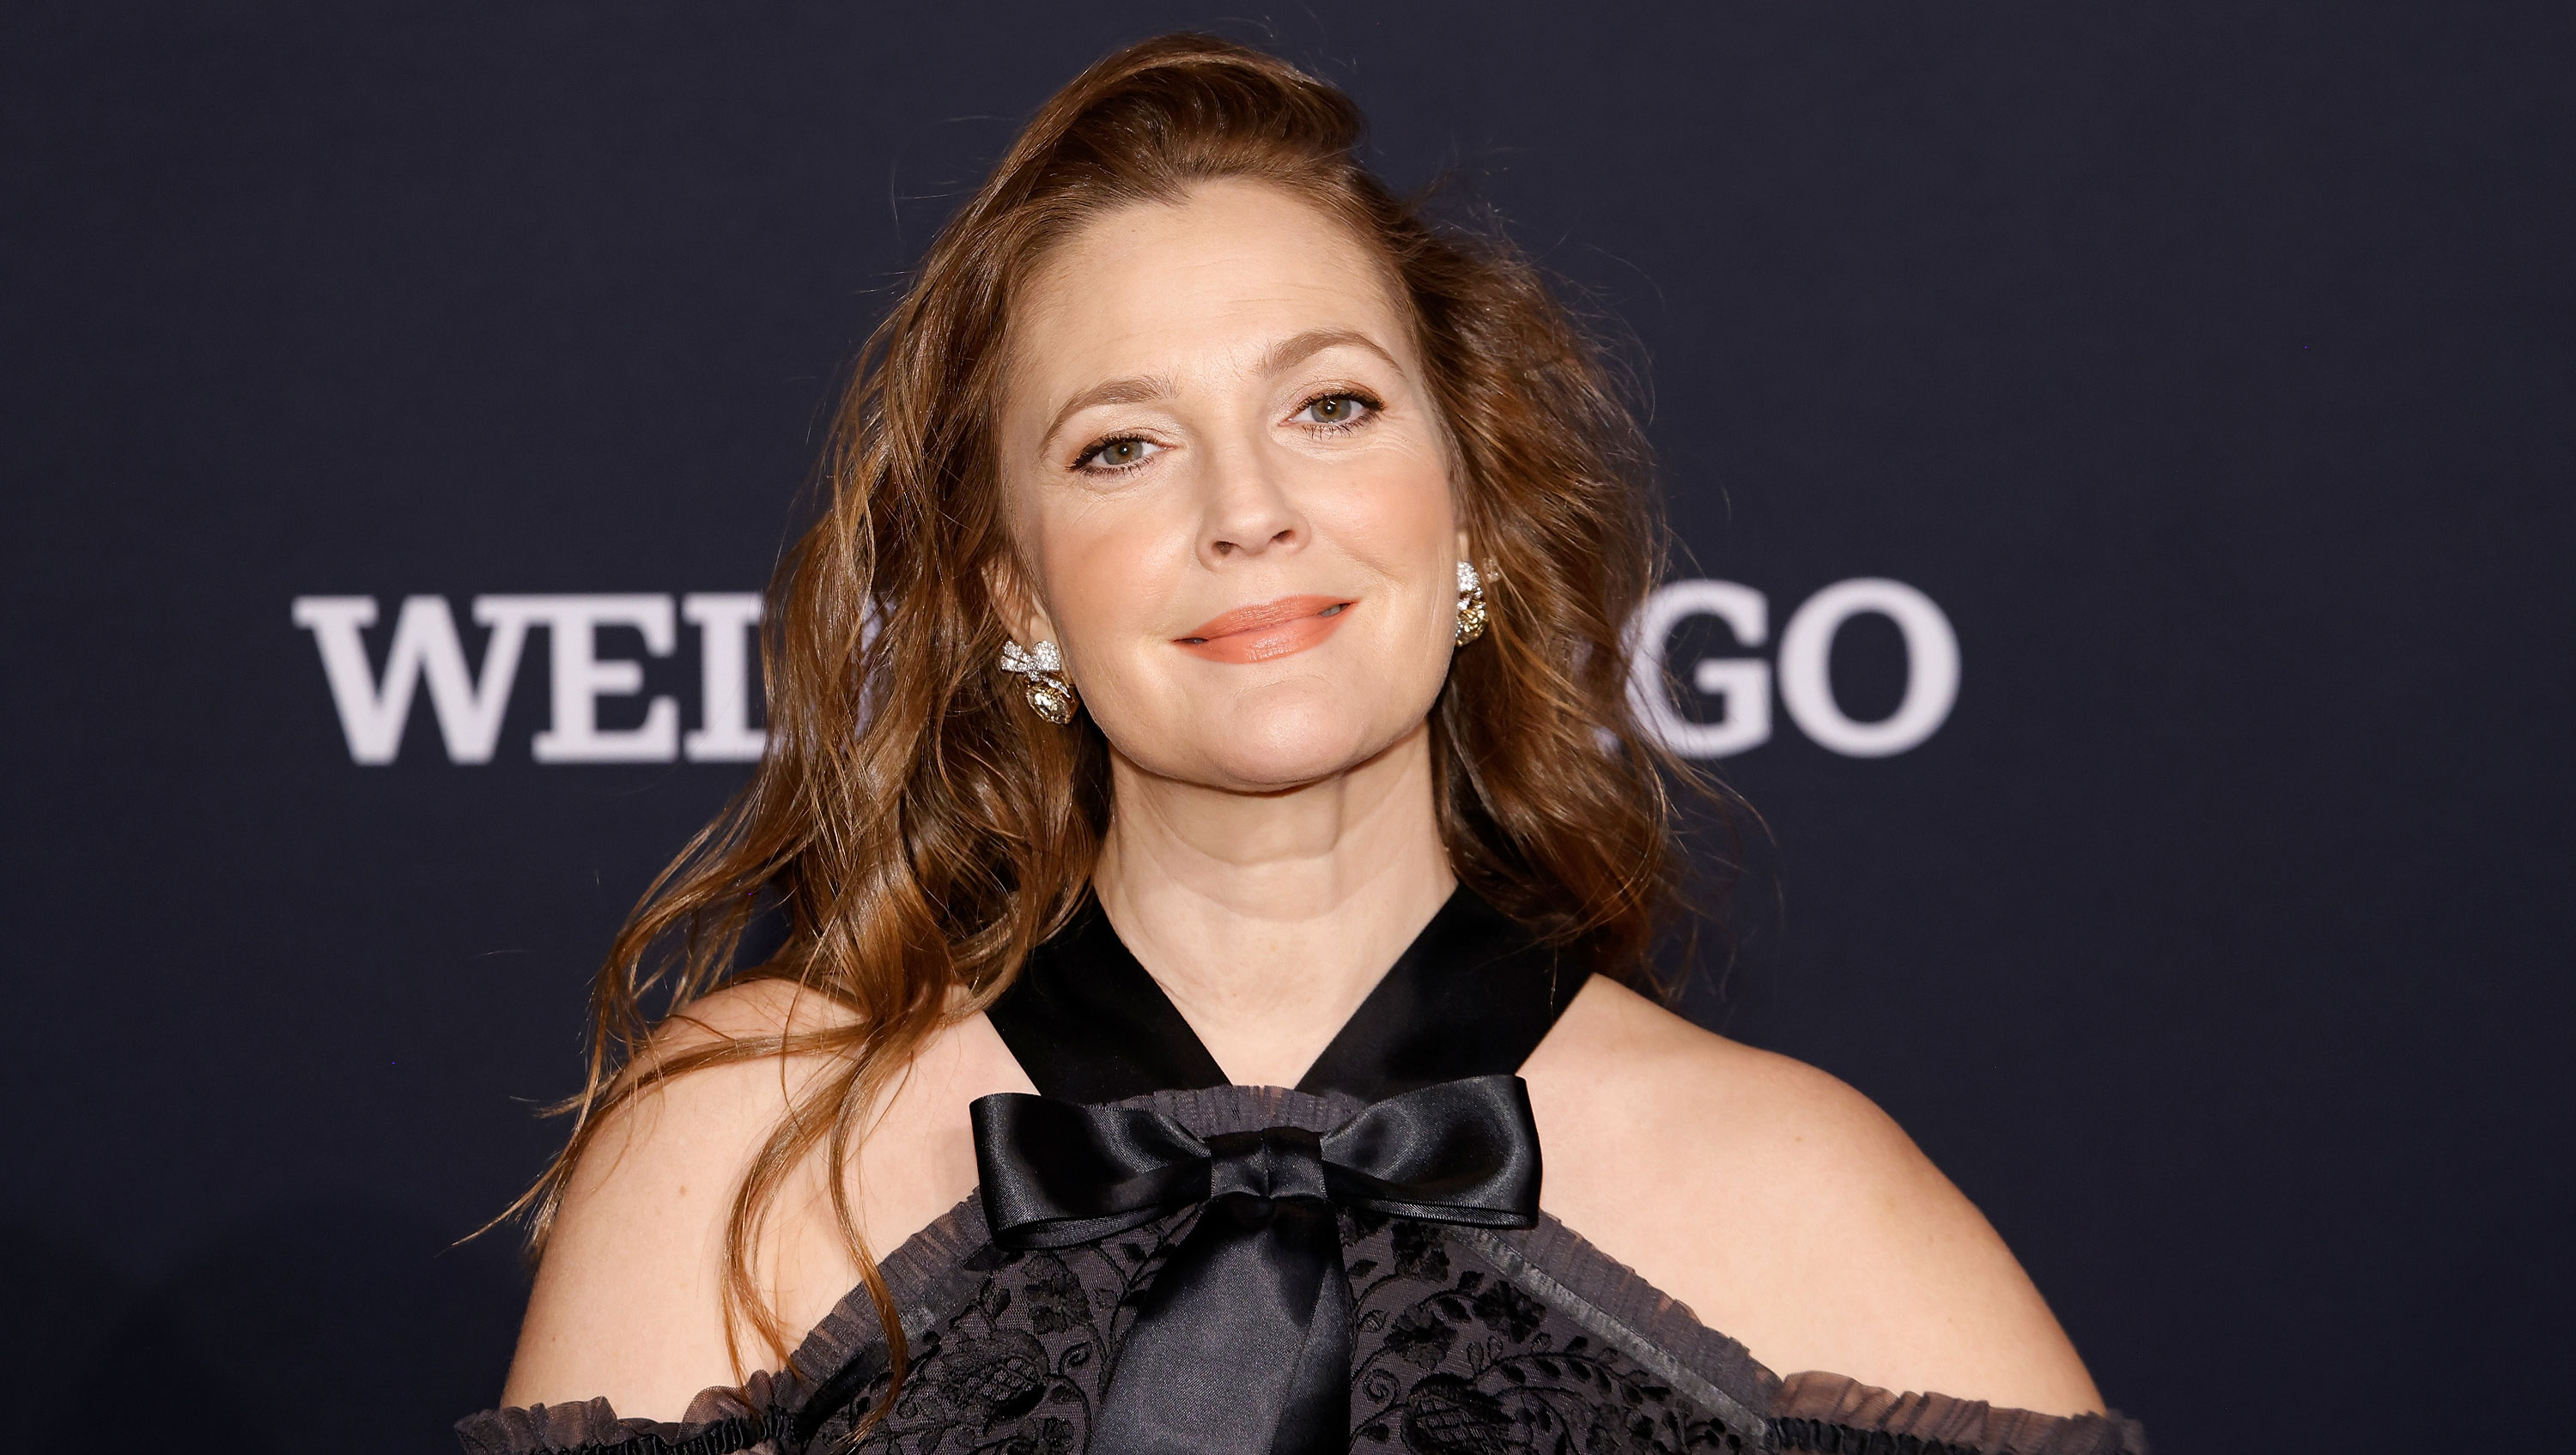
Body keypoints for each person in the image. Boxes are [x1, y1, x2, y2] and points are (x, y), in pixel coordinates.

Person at [464, 33, 2141, 1455]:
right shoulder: (745, 1152)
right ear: (1010, 598)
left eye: (1328, 405)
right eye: (1123, 446)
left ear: (1469, 506)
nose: (1248, 509)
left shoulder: (1802, 1198)